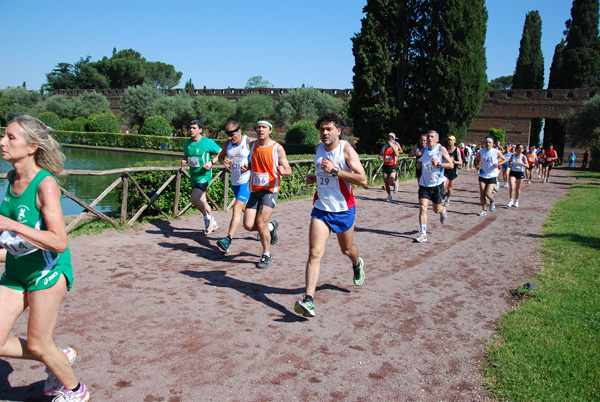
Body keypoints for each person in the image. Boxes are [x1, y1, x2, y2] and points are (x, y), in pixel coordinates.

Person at [0, 116, 90, 402]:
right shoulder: (12, 177)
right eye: (4, 135)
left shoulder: (45, 184)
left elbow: (59, 241)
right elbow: (15, 242)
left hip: (47, 273)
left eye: (11, 137)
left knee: (39, 344)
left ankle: (76, 391)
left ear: (31, 147)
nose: (2, 142)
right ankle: (57, 358)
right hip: (15, 271)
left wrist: (11, 225)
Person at [293, 114, 367, 318]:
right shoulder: (318, 148)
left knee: (347, 249)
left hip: (343, 209)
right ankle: (309, 300)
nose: (325, 133)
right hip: (321, 208)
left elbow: (363, 179)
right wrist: (314, 178)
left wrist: (335, 171)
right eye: (322, 129)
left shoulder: (346, 150)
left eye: (329, 129)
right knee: (315, 253)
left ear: (338, 131)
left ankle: (357, 263)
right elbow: (321, 173)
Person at [241, 118, 292, 268]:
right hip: (255, 190)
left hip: (270, 190)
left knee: (260, 223)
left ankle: (266, 255)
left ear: (270, 130)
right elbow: (256, 161)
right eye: (258, 127)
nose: (260, 130)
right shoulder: (252, 145)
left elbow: (288, 169)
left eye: (264, 127)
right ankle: (271, 227)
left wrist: (284, 171)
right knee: (248, 225)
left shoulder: (277, 148)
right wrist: (248, 167)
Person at [216, 120, 255, 253]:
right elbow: (220, 157)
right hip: (235, 182)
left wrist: (250, 166)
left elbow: (262, 152)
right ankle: (268, 228)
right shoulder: (228, 144)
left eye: (232, 134)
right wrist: (223, 161)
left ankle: (228, 240)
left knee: (237, 208)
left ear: (239, 131)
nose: (229, 137)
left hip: (247, 180)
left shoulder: (248, 141)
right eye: (227, 134)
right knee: (244, 209)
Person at [181, 120, 222, 234]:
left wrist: (212, 162)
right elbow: (186, 154)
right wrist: (184, 159)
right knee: (203, 201)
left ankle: (207, 220)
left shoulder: (207, 142)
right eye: (190, 128)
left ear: (200, 130)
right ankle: (212, 223)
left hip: (204, 175)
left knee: (194, 199)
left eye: (194, 128)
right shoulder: (187, 143)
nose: (191, 130)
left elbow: (221, 152)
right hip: (194, 175)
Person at [414, 130, 454, 243]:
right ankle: (423, 233)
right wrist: (418, 164)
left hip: (437, 184)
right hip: (424, 184)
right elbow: (420, 165)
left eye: (432, 136)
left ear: (437, 139)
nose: (429, 138)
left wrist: (439, 164)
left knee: (436, 209)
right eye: (428, 136)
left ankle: (443, 210)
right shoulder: (423, 150)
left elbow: (451, 165)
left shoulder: (441, 149)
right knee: (423, 207)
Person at [475, 137, 508, 216]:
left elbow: (505, 159)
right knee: (482, 194)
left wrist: (498, 164)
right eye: (486, 142)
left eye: (490, 142)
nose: (488, 144)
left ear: (493, 144)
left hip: (492, 175)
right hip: (483, 174)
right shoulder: (481, 151)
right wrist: (476, 166)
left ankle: (492, 200)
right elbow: (475, 159)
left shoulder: (496, 152)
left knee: (488, 193)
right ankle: (484, 210)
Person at [378, 133, 401, 201]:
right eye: (388, 141)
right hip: (386, 166)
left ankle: (395, 184)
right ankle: (389, 195)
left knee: (390, 181)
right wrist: (380, 156)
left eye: (391, 141)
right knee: (386, 181)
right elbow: (381, 154)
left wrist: (392, 147)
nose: (389, 143)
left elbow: (397, 154)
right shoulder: (384, 147)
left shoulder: (395, 146)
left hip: (393, 166)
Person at [443, 135, 462, 207]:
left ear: (455, 141)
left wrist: (453, 161)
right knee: (443, 185)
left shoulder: (457, 150)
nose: (450, 141)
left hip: (453, 171)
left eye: (451, 140)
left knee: (449, 187)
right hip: (445, 170)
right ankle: (444, 193)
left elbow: (460, 162)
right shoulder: (445, 149)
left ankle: (448, 199)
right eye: (449, 140)